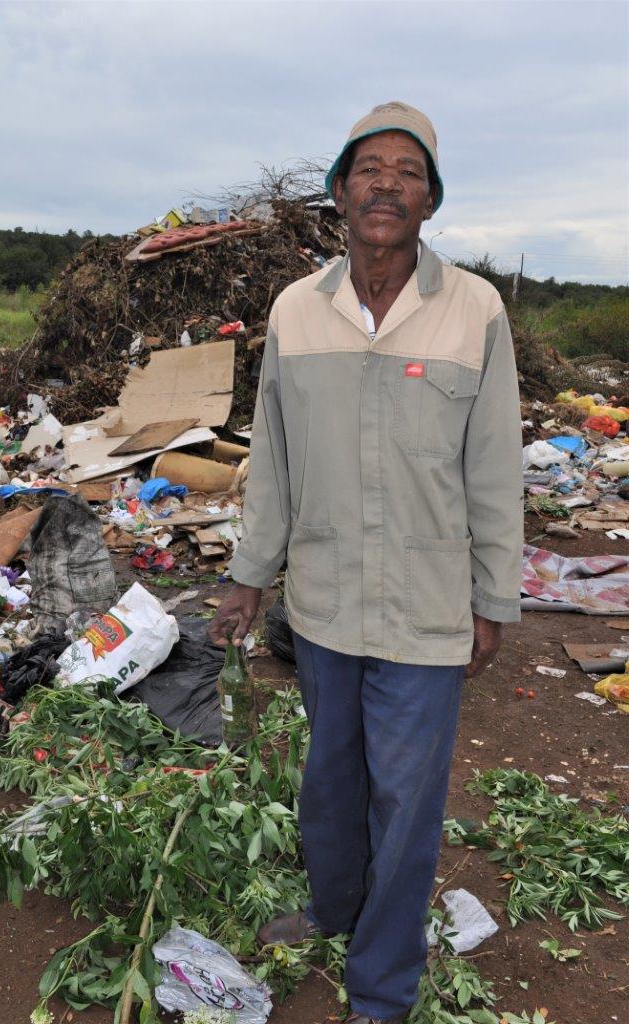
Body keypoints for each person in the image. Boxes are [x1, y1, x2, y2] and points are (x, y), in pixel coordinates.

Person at [209, 101, 523, 1024]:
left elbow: (498, 469)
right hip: (325, 600)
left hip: (429, 606)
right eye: (368, 169)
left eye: (408, 171)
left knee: (408, 800)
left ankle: (383, 986)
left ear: (430, 200)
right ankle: (332, 909)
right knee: (331, 779)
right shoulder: (298, 311)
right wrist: (246, 574)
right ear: (339, 193)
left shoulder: (474, 310)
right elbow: (272, 456)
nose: (387, 184)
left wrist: (491, 597)